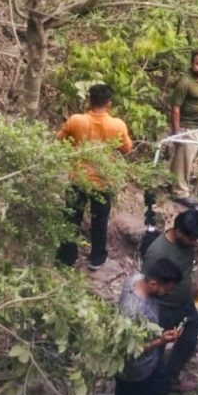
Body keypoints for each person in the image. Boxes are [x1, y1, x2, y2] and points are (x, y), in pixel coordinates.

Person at [57, 83, 133, 269]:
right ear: (109, 104)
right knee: (100, 220)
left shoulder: (76, 121)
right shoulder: (117, 125)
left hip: (78, 178)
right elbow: (126, 148)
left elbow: (59, 141)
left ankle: (67, 257)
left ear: (89, 101)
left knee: (72, 219)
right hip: (103, 180)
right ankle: (97, 257)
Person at [114, 258, 184, 395]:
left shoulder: (137, 279)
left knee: (161, 384)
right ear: (153, 284)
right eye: (166, 289)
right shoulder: (134, 310)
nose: (168, 293)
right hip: (134, 370)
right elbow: (131, 349)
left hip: (151, 361)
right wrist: (162, 341)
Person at [142, 208, 198, 392]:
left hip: (185, 305)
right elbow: (147, 285)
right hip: (164, 308)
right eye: (192, 239)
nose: (195, 243)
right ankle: (150, 393)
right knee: (155, 352)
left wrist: (192, 286)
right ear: (178, 232)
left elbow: (186, 269)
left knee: (189, 340)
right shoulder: (157, 253)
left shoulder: (187, 246)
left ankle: (170, 379)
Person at [168, 50, 198, 208]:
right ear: (191, 64)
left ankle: (171, 182)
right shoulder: (185, 82)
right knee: (184, 159)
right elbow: (175, 108)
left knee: (182, 158)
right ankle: (180, 192)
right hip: (188, 126)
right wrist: (177, 131)